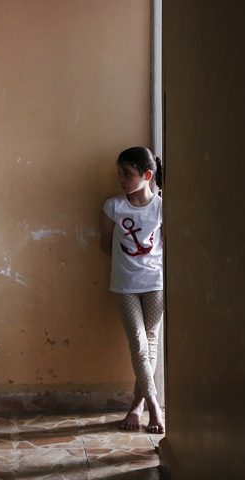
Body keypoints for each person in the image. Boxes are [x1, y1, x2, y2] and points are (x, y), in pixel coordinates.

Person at [99, 146, 165, 434]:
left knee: (150, 344)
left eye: (128, 174)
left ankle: (135, 406)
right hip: (125, 285)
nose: (121, 179)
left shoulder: (162, 207)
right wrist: (128, 266)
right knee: (139, 343)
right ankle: (154, 407)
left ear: (147, 175)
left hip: (156, 284)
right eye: (119, 174)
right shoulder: (113, 206)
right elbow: (104, 243)